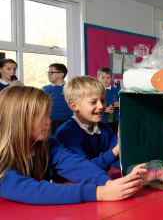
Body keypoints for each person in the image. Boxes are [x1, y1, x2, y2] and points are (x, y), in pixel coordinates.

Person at [0, 86, 146, 205]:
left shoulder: (48, 144)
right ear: (18, 120)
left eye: (48, 115)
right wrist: (99, 193)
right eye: (42, 116)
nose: (49, 122)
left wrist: (108, 184)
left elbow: (77, 166)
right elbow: (29, 189)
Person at [55, 76, 121, 171]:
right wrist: (117, 149)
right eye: (93, 102)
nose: (101, 106)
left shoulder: (104, 128)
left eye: (102, 100)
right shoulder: (66, 133)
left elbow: (117, 163)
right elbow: (85, 169)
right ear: (74, 106)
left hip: (102, 182)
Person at [42, 63, 73, 135]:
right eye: (48, 73)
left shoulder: (70, 88)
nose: (48, 75)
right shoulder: (45, 89)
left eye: (51, 73)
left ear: (61, 74)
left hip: (66, 121)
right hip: (49, 122)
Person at [97, 67, 120, 135]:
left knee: (113, 139)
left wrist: (119, 104)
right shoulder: (96, 91)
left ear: (111, 78)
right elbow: (92, 107)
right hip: (100, 121)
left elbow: (124, 105)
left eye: (108, 77)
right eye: (103, 77)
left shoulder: (116, 90)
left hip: (114, 121)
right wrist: (104, 110)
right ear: (98, 78)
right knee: (101, 140)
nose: (106, 80)